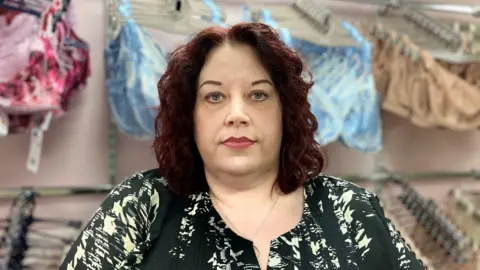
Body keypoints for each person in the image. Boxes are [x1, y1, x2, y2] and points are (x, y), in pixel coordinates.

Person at [60, 22, 424, 270]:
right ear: (190, 115)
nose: (237, 114)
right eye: (214, 96)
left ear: (285, 112)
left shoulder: (351, 210)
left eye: (258, 95)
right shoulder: (141, 206)